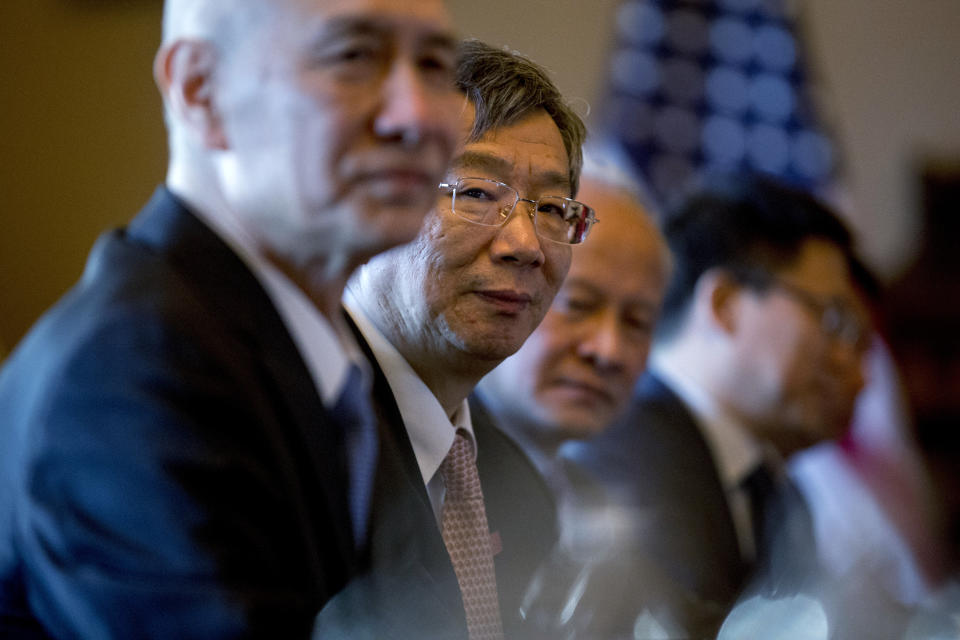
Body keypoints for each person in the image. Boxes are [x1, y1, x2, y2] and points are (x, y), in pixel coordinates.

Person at [0, 0, 462, 637]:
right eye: (354, 55)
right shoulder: (132, 375)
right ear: (200, 91)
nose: (418, 115)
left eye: (435, 63)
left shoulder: (321, 356)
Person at [316, 40, 593, 639]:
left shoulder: (516, 489)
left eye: (551, 208)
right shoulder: (294, 441)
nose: (526, 243)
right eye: (475, 193)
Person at [564, 173, 868, 636]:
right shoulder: (624, 451)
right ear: (724, 304)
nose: (850, 363)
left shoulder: (778, 494)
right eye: (830, 317)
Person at [475, 154, 670, 484]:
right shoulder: (414, 469)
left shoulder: (603, 512)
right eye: (578, 304)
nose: (608, 351)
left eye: (637, 322)